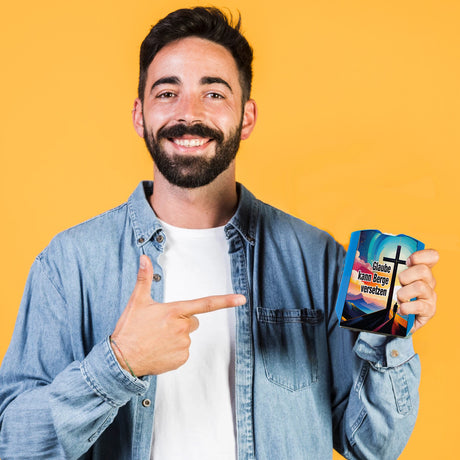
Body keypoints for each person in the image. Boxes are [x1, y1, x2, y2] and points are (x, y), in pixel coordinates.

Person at [0, 7, 438, 460]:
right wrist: (119, 362)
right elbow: (15, 445)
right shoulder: (68, 264)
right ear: (139, 115)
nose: (188, 114)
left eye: (213, 93)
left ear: (246, 117)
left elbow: (371, 446)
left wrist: (389, 334)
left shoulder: (316, 258)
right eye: (167, 92)